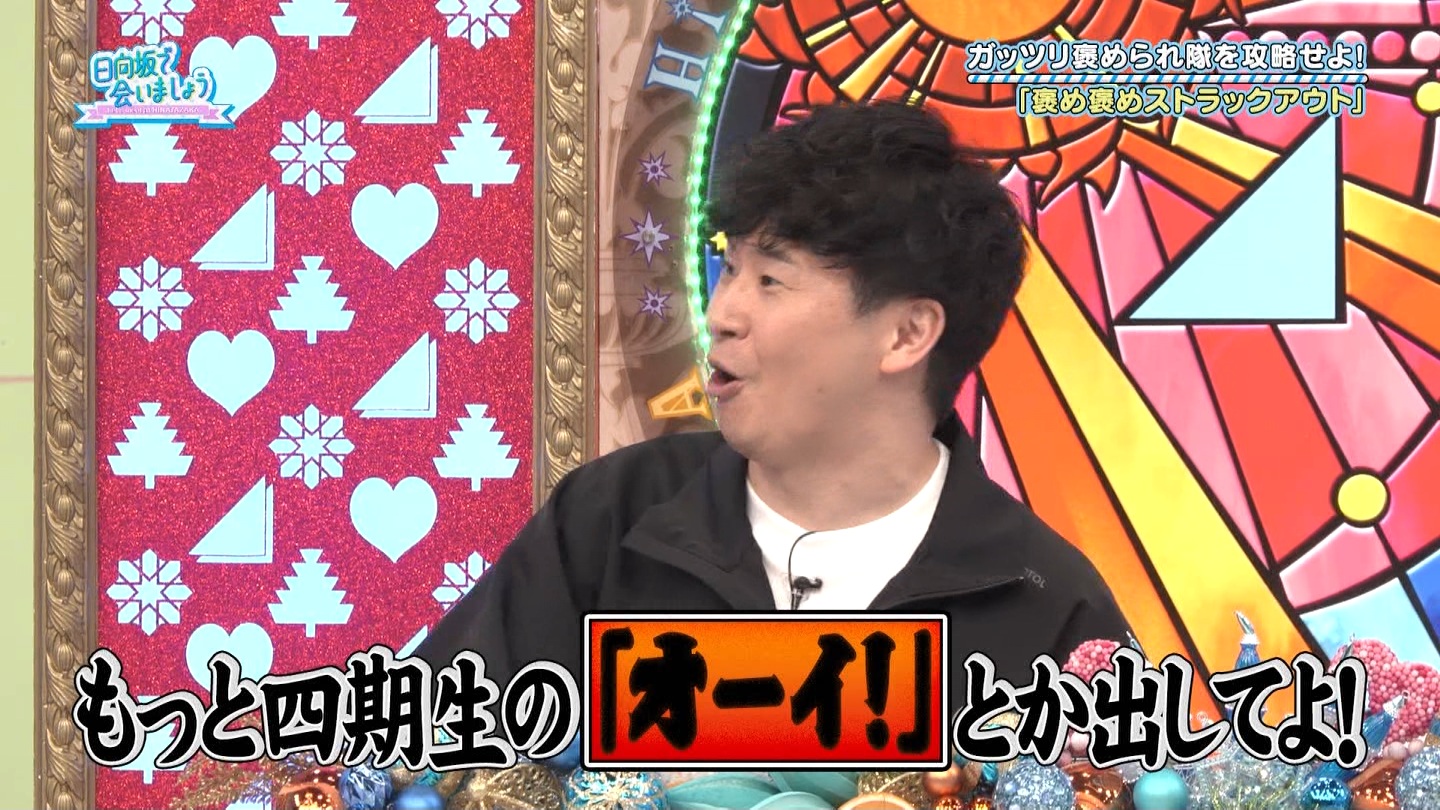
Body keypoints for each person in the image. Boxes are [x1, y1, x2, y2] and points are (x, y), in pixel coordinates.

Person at [416, 99, 1132, 703]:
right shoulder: (609, 520)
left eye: (770, 281)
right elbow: (423, 753)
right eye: (729, 269)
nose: (722, 313)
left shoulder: (1045, 604)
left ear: (908, 334)